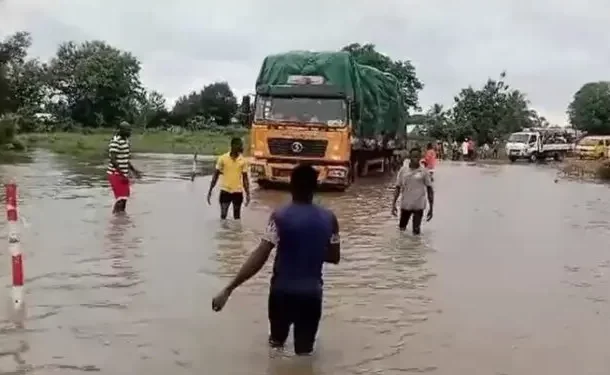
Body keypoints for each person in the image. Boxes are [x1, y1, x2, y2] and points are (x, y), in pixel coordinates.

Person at [211, 164, 340, 356]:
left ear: (291, 185)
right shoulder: (330, 219)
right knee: (304, 355)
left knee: (275, 348)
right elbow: (334, 257)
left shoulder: (279, 216)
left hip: (282, 293)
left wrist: (229, 288)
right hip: (312, 295)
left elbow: (260, 255)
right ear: (315, 187)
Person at [391, 148, 434, 235]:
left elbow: (430, 190)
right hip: (405, 205)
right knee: (401, 230)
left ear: (420, 158)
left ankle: (415, 247)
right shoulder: (403, 170)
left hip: (419, 205)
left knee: (416, 232)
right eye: (414, 156)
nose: (416, 159)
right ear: (410, 157)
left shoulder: (424, 172)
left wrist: (431, 208)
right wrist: (393, 204)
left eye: (418, 156)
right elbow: (398, 187)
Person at [207, 137, 251, 220]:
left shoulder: (243, 161)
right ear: (233, 146)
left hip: (238, 192)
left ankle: (235, 233)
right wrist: (210, 190)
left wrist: (248, 194)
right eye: (240, 145)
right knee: (223, 216)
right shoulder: (223, 158)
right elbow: (215, 176)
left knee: (237, 218)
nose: (242, 147)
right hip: (225, 191)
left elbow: (245, 179)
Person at [107, 121, 141, 214]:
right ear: (121, 130)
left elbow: (125, 159)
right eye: (127, 130)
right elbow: (113, 160)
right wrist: (122, 174)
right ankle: (115, 220)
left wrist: (134, 171)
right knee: (120, 199)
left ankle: (121, 219)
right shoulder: (115, 141)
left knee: (124, 198)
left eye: (130, 130)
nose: (129, 132)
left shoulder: (126, 140)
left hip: (123, 174)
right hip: (115, 174)